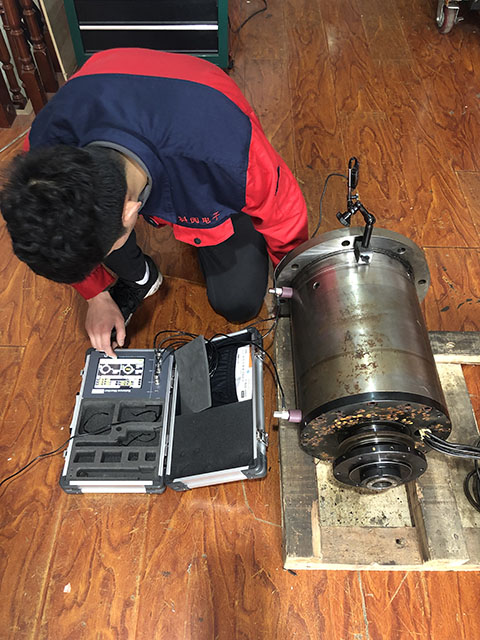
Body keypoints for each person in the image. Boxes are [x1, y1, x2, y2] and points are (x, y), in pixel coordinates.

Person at [0, 48, 308, 357]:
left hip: (199, 101)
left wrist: (296, 283)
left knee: (238, 302)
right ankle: (141, 277)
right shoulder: (45, 151)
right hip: (108, 85)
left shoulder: (225, 153)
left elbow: (283, 209)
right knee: (95, 240)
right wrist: (96, 295)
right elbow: (51, 232)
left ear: (129, 212)